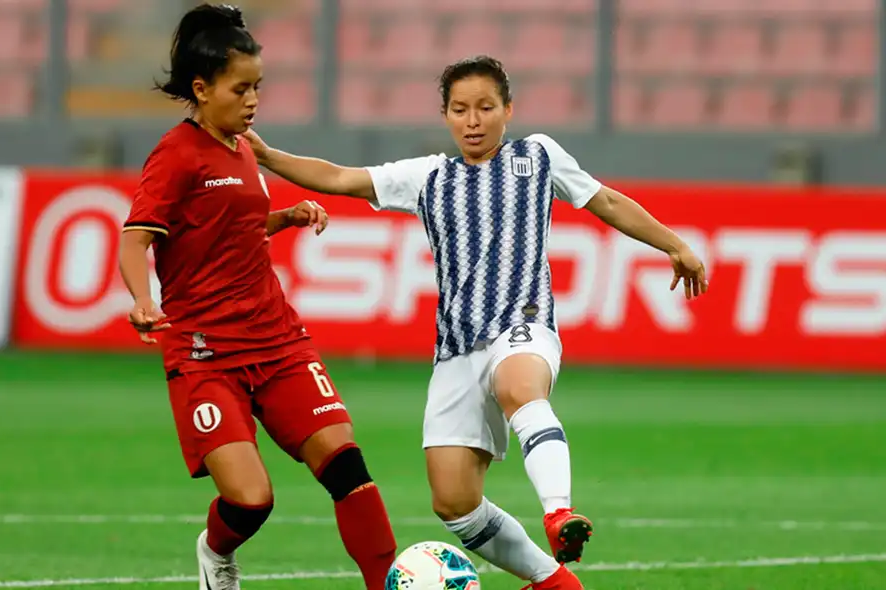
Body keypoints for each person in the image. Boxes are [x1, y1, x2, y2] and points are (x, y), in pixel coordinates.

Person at [245, 55, 709, 590]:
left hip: (524, 324)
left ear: (507, 110)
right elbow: (339, 177)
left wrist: (674, 245)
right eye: (460, 109)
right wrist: (267, 155)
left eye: (485, 107)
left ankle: (559, 512)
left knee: (521, 388)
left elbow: (604, 200)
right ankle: (553, 582)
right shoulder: (426, 177)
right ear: (445, 115)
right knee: (454, 503)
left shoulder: (537, 156)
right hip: (457, 349)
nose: (473, 120)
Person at [117, 5, 397, 590]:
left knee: (348, 466)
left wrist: (285, 217)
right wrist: (143, 301)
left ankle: (385, 584)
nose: (253, 100)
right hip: (205, 352)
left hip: (277, 338)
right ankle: (215, 552)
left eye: (258, 87)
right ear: (202, 88)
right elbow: (136, 235)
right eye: (240, 88)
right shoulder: (176, 155)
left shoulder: (244, 147)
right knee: (251, 501)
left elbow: (228, 227)